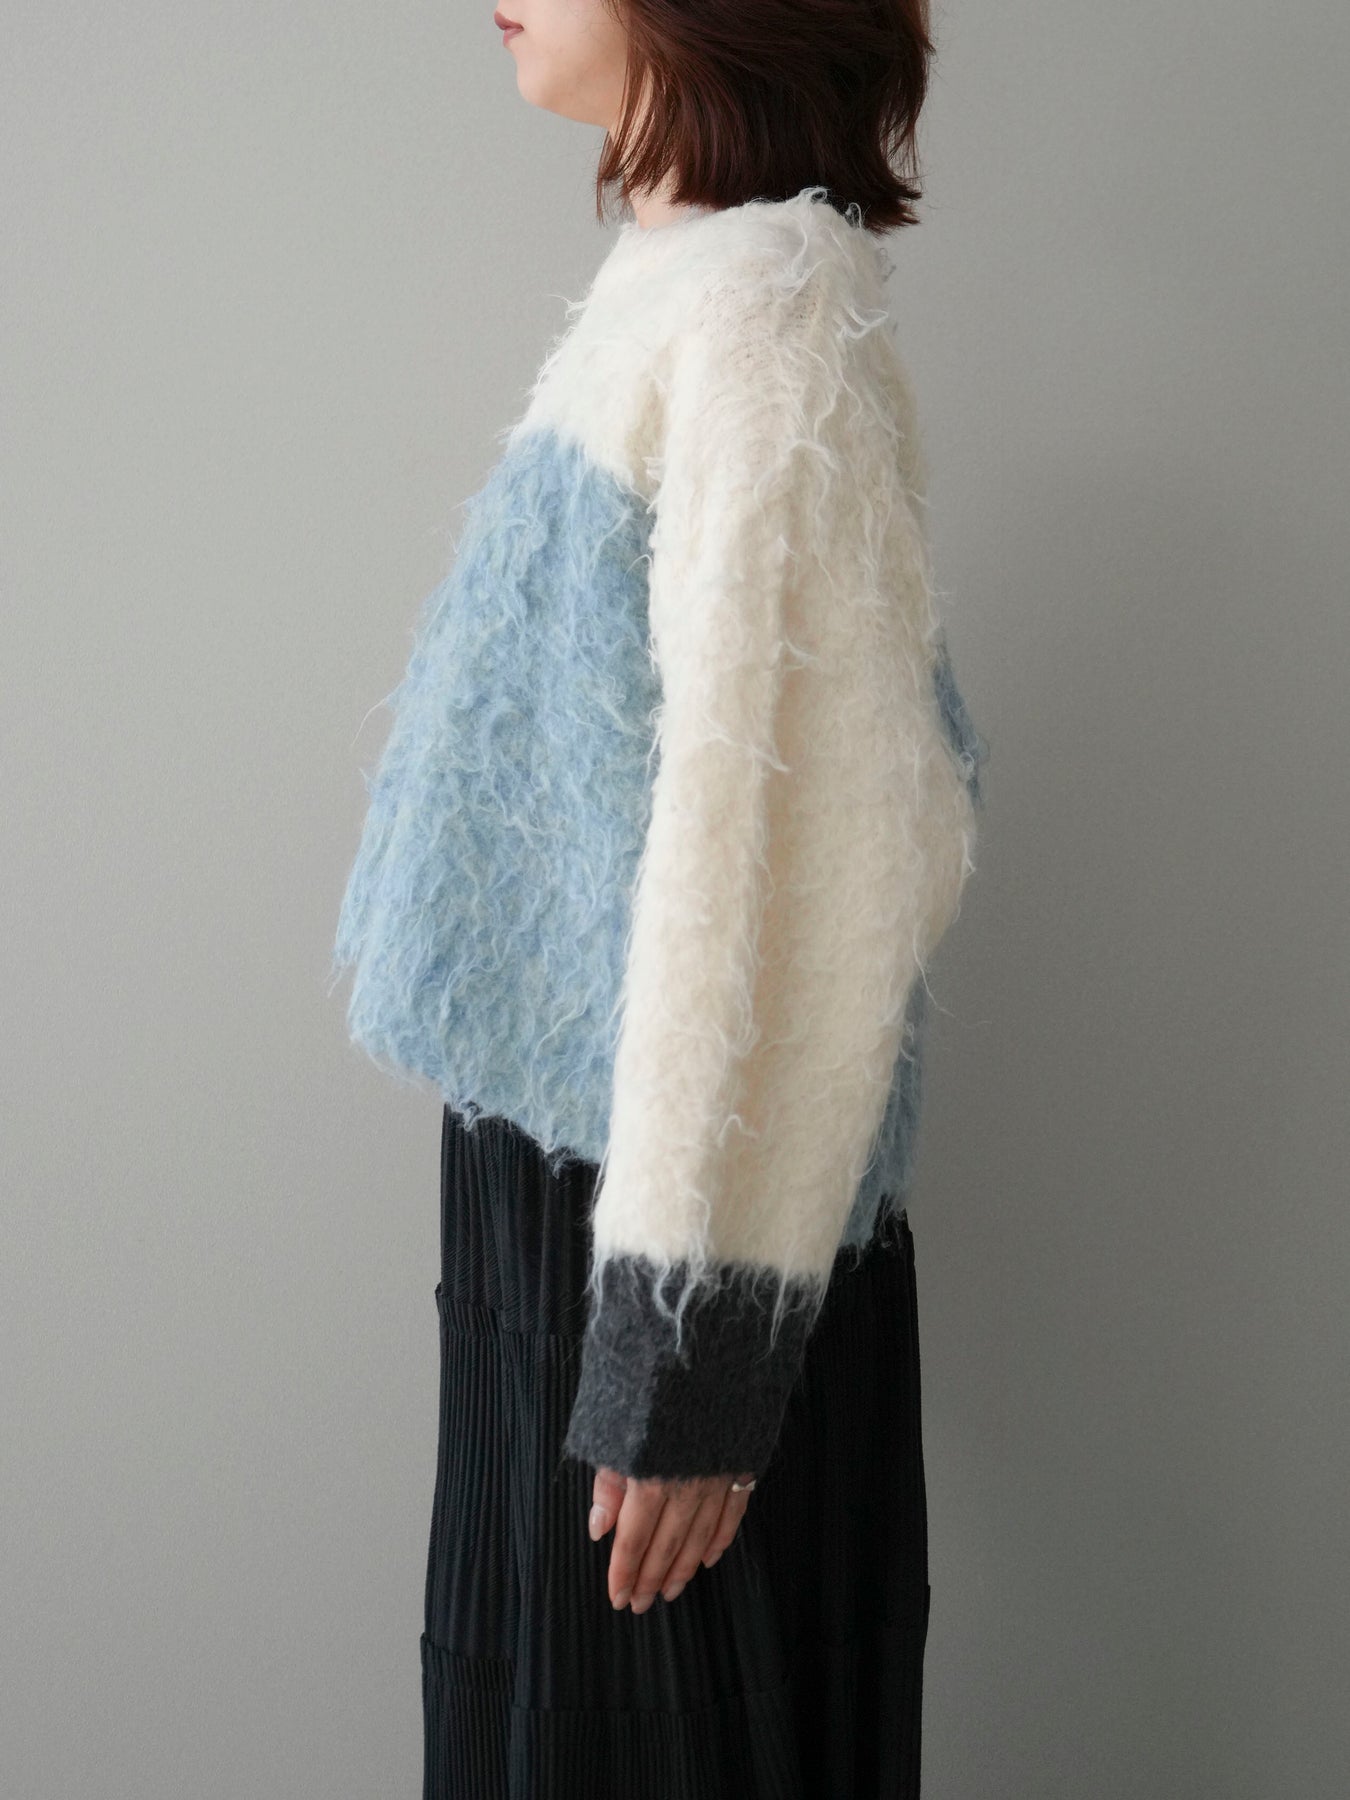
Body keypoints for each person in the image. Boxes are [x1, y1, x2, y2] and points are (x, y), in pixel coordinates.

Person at [329, 1, 989, 1792]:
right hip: (597, 1182)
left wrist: (690, 1346)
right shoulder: (683, 284)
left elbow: (800, 845)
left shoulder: (764, 303)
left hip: (668, 1224)